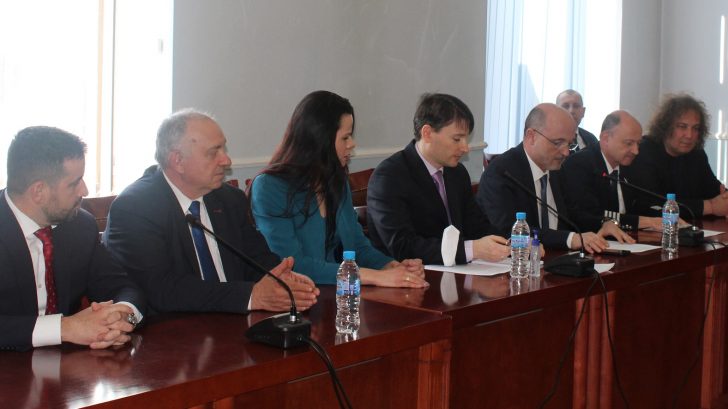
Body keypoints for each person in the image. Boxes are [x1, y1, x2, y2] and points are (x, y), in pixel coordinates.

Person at [104, 109, 319, 315]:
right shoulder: (135, 208)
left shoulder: (230, 199)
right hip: (170, 331)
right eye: (213, 152)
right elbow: (161, 289)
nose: (226, 160)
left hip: (233, 324)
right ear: (178, 161)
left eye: (224, 149)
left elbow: (256, 259)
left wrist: (283, 279)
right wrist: (251, 296)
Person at [250, 91, 427, 288]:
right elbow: (293, 265)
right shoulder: (269, 187)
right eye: (345, 137)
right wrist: (373, 276)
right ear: (320, 139)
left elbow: (358, 247)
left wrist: (391, 267)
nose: (352, 144)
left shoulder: (336, 180)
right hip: (298, 299)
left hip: (338, 295)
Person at [0, 126, 145, 351]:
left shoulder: (79, 225)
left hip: (69, 362)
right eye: (74, 183)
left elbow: (123, 287)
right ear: (38, 191)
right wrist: (65, 328)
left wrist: (121, 318)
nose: (84, 191)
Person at [367, 93, 510, 265]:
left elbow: (478, 226)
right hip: (410, 275)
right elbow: (403, 246)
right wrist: (472, 249)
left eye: (466, 138)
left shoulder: (457, 173)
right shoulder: (389, 177)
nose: (465, 148)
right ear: (427, 133)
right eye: (457, 139)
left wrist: (514, 244)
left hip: (458, 272)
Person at [477, 103, 628, 253]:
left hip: (558, 256)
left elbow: (572, 214)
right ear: (532, 136)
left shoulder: (557, 168)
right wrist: (569, 239)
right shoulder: (501, 173)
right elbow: (509, 231)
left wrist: (603, 224)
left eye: (570, 144)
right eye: (558, 143)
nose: (566, 152)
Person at [622, 94, 728, 218]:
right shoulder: (644, 152)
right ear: (666, 126)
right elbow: (653, 206)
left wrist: (724, 200)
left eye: (695, 128)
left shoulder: (696, 154)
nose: (689, 135)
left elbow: (715, 190)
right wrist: (710, 207)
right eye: (682, 127)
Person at [561, 110, 663, 232]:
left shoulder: (631, 164)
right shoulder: (579, 165)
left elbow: (641, 205)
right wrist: (644, 222)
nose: (636, 151)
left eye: (638, 143)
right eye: (629, 143)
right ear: (606, 139)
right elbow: (591, 216)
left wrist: (665, 217)